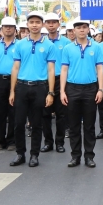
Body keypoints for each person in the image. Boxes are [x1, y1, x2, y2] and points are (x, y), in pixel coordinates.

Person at [9, 11, 56, 167]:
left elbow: (51, 70)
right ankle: (20, 153)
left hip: (40, 87)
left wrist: (50, 92)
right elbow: (15, 68)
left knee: (37, 123)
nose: (34, 25)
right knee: (18, 122)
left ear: (42, 25)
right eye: (31, 22)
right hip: (22, 87)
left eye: (37, 22)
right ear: (27, 25)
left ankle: (34, 154)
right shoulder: (20, 44)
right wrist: (12, 91)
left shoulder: (49, 45)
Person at [60, 20, 103, 167]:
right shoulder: (67, 48)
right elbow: (64, 70)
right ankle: (75, 155)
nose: (81, 30)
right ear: (74, 30)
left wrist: (100, 89)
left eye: (84, 27)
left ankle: (89, 156)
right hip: (72, 88)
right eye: (78, 28)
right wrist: (62, 91)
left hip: (91, 88)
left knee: (90, 125)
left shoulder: (96, 47)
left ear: (88, 30)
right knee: (73, 125)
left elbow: (99, 69)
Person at [42, 12, 67, 153]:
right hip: (44, 80)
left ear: (59, 24)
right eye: (48, 22)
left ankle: (60, 142)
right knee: (44, 113)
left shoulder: (66, 43)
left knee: (61, 114)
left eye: (54, 22)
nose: (51, 25)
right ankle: (48, 142)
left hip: (60, 80)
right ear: (45, 24)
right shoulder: (41, 42)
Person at [0, 17, 18, 151]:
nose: (8, 28)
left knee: (13, 111)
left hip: (16, 80)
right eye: (5, 26)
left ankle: (12, 140)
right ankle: (0, 140)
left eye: (11, 26)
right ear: (1, 29)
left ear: (15, 29)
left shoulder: (20, 45)